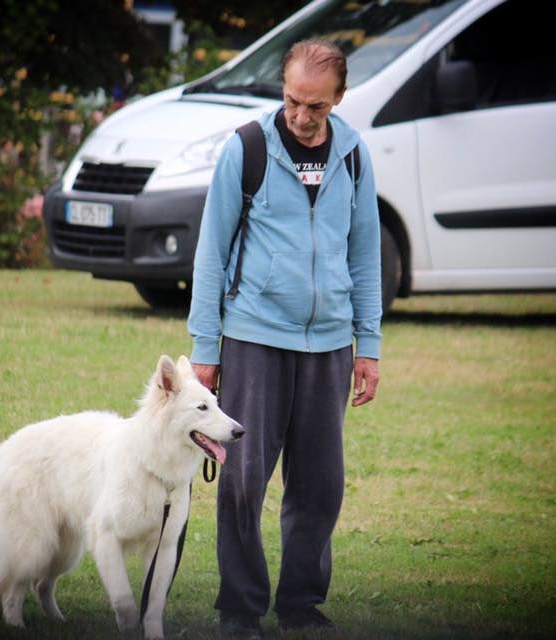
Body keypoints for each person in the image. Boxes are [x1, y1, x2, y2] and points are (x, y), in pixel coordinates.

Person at [187, 39, 382, 638]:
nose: (301, 116)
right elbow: (212, 254)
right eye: (293, 101)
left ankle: (301, 605)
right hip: (254, 339)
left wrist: (366, 344)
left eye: (316, 107)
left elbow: (365, 252)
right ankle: (240, 609)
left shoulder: (352, 154)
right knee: (243, 480)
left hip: (328, 347)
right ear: (283, 90)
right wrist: (204, 349)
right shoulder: (245, 150)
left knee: (320, 486)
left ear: (339, 100)